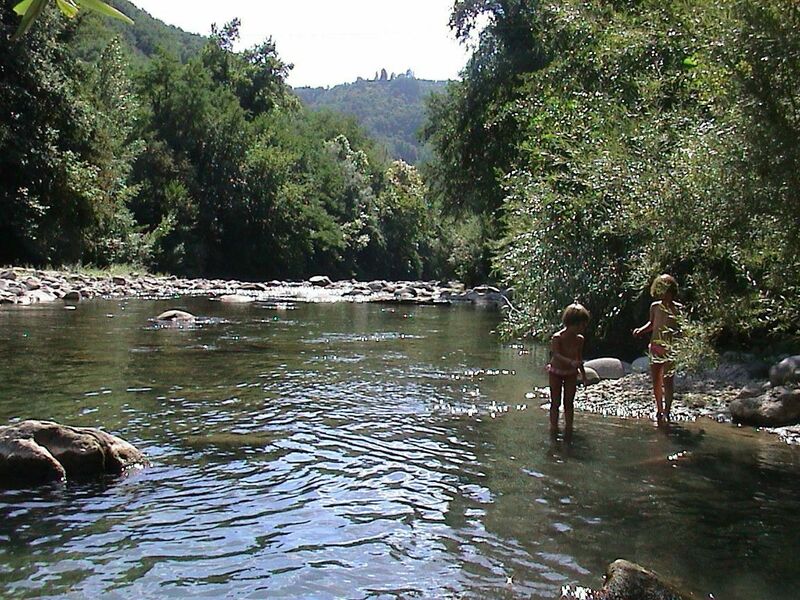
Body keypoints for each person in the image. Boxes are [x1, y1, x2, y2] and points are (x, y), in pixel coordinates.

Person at [633, 274, 681, 422]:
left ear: (672, 291)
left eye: (666, 291)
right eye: (661, 291)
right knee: (656, 380)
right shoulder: (655, 307)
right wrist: (641, 330)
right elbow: (652, 324)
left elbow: (682, 329)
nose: (664, 295)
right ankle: (659, 408)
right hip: (655, 346)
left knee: (668, 380)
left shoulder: (678, 309)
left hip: (670, 348)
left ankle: (667, 410)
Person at [547, 303, 590, 435]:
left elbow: (579, 357)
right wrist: (570, 362)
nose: (583, 328)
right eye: (581, 325)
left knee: (569, 402)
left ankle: (569, 428)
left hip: (571, 373)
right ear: (571, 323)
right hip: (556, 372)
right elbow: (556, 354)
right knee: (555, 402)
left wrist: (583, 376)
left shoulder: (579, 339)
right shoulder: (557, 337)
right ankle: (553, 428)